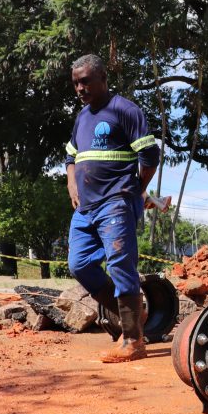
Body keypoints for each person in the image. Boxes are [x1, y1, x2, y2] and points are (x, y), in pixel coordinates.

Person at [66, 54, 160, 363]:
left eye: (86, 81)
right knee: (79, 263)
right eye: (76, 83)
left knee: (120, 266)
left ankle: (133, 340)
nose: (80, 88)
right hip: (85, 208)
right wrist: (71, 183)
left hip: (115, 202)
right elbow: (71, 156)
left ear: (103, 79)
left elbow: (149, 155)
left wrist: (137, 187)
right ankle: (131, 318)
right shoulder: (81, 117)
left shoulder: (124, 110)